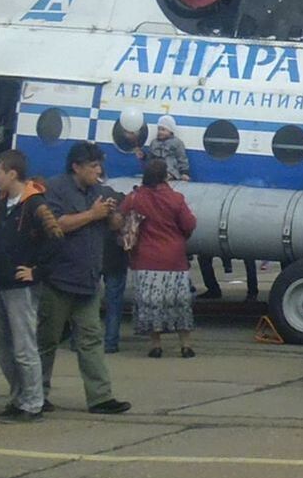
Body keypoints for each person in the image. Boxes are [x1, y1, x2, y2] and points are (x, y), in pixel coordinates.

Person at [37, 142, 133, 415]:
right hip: (58, 278)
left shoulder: (100, 192)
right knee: (47, 339)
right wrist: (92, 214)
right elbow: (57, 224)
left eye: (99, 165)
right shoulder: (56, 189)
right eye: (92, 166)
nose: (98, 170)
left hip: (89, 279)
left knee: (91, 339)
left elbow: (114, 224)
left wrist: (114, 217)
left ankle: (100, 397)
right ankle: (36, 393)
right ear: (75, 167)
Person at [0, 150, 51, 420]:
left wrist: (37, 271)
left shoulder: (35, 204)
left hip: (21, 287)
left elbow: (56, 240)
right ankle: (19, 396)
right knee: (2, 347)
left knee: (24, 346)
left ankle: (33, 401)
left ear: (13, 173)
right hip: (0, 282)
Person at [120, 157, 199, 360]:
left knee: (151, 304)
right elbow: (189, 224)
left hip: (146, 259)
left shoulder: (135, 198)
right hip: (174, 259)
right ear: (165, 176)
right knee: (179, 303)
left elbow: (123, 218)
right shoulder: (176, 199)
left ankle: (156, 346)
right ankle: (185, 345)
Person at [149, 115, 191, 181]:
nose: (160, 132)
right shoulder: (154, 142)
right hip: (155, 170)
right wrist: (143, 156)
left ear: (170, 131)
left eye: (163, 130)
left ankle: (168, 176)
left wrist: (185, 173)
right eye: (159, 129)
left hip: (170, 170)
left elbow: (182, 158)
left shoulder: (177, 142)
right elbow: (150, 158)